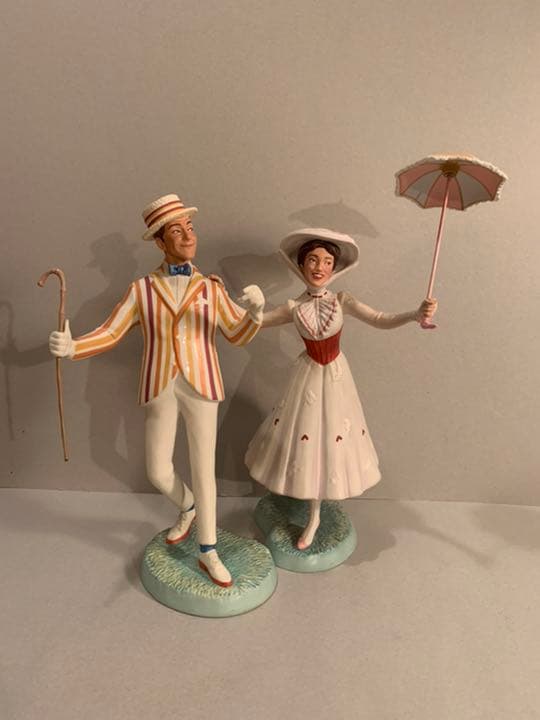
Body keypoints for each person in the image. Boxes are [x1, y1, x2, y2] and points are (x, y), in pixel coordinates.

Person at [49, 194, 264, 587]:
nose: (188, 236)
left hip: (202, 383)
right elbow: (111, 332)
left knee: (203, 469)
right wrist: (73, 347)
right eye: (177, 231)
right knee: (158, 470)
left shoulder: (210, 288)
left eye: (190, 228)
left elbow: (237, 334)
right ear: (161, 243)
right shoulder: (142, 290)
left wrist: (255, 312)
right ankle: (188, 506)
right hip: (160, 383)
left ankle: (208, 550)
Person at [245, 228, 437, 550]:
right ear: (301, 265)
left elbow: (379, 318)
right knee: (306, 439)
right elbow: (255, 323)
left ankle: (315, 516)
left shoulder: (342, 301)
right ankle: (303, 499)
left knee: (331, 437)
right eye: (312, 260)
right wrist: (252, 307)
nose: (319, 267)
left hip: (335, 377)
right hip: (307, 376)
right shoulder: (293, 307)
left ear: (335, 267)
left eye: (326, 261)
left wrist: (414, 315)